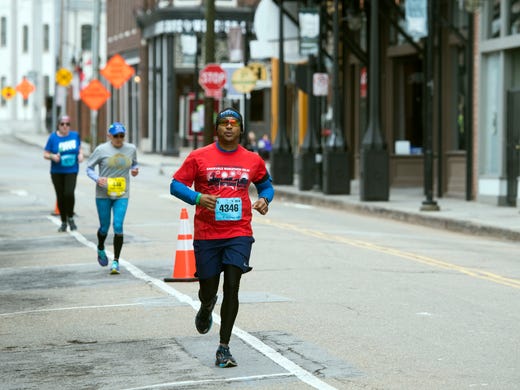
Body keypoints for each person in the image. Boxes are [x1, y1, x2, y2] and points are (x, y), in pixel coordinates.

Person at [170, 107, 274, 368]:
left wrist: (264, 199)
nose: (229, 126)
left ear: (240, 128)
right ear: (216, 129)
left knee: (232, 286)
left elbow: (266, 185)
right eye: (224, 123)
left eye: (234, 123)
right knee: (209, 287)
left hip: (239, 232)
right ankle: (206, 306)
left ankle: (224, 347)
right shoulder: (199, 157)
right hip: (207, 234)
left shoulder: (252, 159)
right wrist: (197, 198)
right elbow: (175, 185)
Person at [86, 122, 139, 275]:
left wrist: (135, 170)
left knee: (118, 225)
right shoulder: (101, 149)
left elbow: (134, 164)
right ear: (109, 136)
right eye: (115, 136)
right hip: (103, 194)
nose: (119, 138)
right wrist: (97, 178)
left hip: (122, 193)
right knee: (104, 227)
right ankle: (101, 247)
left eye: (122, 135)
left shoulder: (131, 149)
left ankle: (115, 261)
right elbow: (89, 168)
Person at [44, 115, 84, 232]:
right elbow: (45, 153)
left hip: (72, 170)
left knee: (69, 193)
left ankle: (70, 217)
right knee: (60, 196)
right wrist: (52, 156)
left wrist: (81, 154)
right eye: (62, 124)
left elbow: (79, 148)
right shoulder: (53, 138)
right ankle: (63, 222)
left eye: (67, 124)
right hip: (57, 171)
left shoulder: (74, 135)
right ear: (58, 125)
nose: (65, 126)